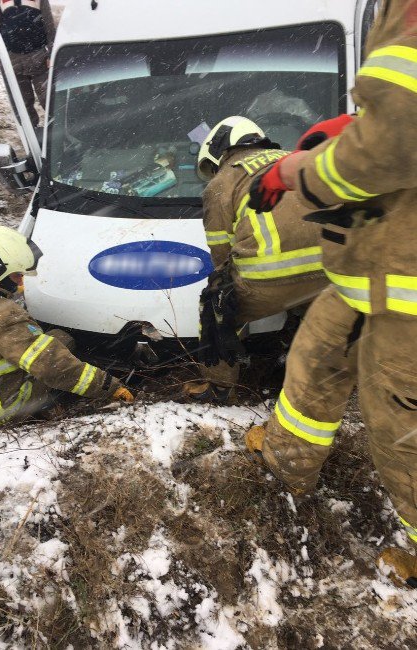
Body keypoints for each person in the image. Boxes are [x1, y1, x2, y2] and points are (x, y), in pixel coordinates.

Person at [246, 0, 417, 588]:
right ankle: (286, 471)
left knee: (401, 428)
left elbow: (396, 139)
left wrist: (300, 172)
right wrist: (345, 140)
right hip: (369, 274)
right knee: (314, 363)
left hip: (408, 295)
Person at [183, 116, 328, 403]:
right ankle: (319, 381)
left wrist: (224, 290)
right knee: (320, 322)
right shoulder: (297, 158)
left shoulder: (222, 182)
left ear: (218, 150)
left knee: (216, 309)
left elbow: (220, 254)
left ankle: (219, 389)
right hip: (328, 271)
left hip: (268, 278)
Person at [0, 225, 133, 432]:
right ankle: (47, 410)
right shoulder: (0, 317)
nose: (21, 281)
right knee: (61, 341)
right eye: (16, 276)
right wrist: (107, 387)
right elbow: (51, 365)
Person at [0, 0, 56, 127]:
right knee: (22, 104)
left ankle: (56, 132)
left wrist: (51, 53)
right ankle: (32, 134)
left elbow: (49, 25)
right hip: (13, 60)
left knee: (49, 99)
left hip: (39, 58)